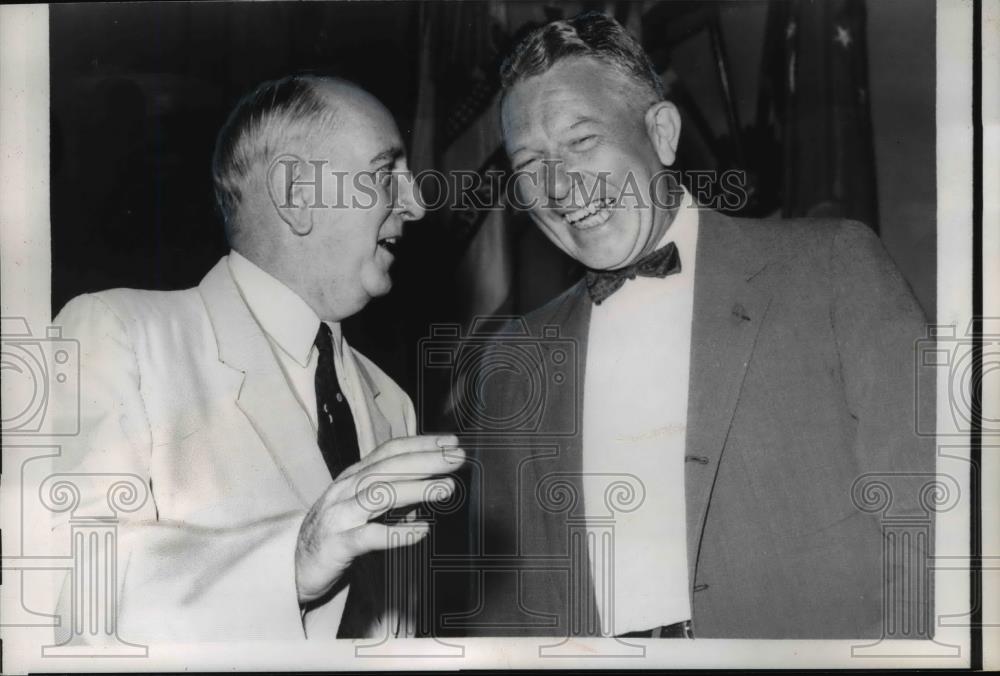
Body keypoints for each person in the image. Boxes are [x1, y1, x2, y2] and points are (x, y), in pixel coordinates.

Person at [461, 13, 934, 639]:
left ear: (661, 133)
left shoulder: (831, 268)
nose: (558, 186)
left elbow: (931, 515)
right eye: (529, 163)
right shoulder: (511, 361)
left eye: (581, 142)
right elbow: (505, 609)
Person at [50, 75, 464, 642]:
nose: (416, 202)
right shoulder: (117, 335)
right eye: (384, 172)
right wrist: (293, 561)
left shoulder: (391, 402)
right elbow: (70, 592)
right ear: (296, 194)